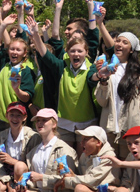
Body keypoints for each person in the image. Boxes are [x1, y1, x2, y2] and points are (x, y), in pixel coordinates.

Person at [26, 17, 97, 150]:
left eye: (80, 51)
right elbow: (45, 53)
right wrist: (35, 34)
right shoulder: (61, 67)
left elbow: (93, 77)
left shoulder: (91, 67)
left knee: (84, 160)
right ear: (67, 52)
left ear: (86, 53)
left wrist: (99, 76)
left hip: (87, 123)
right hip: (64, 124)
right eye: (72, 51)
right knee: (65, 158)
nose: (76, 54)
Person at [10, 109, 77, 192]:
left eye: (44, 120)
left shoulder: (64, 149)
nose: (40, 123)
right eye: (38, 121)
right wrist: (24, 182)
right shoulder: (34, 150)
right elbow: (30, 175)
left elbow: (69, 180)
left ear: (54, 124)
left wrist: (42, 177)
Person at [95, 32, 140, 158]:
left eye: (124, 42)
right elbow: (102, 101)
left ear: (132, 50)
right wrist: (104, 79)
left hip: (131, 129)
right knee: (110, 169)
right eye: (118, 41)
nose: (119, 44)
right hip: (109, 129)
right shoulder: (107, 68)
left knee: (130, 169)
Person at [0, 13, 36, 133]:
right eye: (12, 49)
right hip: (0, 117)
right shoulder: (4, 64)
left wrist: (17, 90)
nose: (14, 52)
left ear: (25, 53)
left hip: (17, 118)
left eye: (18, 50)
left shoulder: (26, 70)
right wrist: (3, 24)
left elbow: (27, 97)